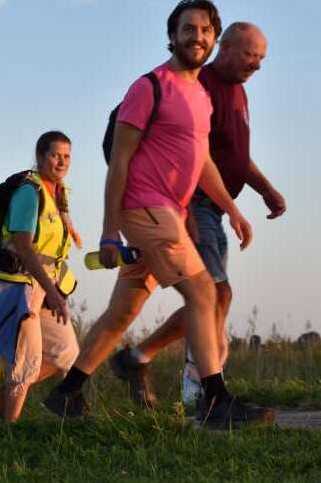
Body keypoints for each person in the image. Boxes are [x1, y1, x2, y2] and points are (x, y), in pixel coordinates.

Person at [42, 0, 273, 428]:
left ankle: (66, 392)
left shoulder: (201, 96)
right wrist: (110, 233)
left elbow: (202, 163)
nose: (197, 36)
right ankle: (216, 400)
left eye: (205, 30)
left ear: (214, 39)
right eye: (188, 29)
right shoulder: (148, 87)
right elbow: (121, 163)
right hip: (144, 208)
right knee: (204, 293)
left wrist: (232, 210)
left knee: (122, 312)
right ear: (172, 36)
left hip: (168, 213)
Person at [109, 22, 286, 408]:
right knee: (210, 292)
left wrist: (264, 190)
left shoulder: (237, 93)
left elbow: (235, 157)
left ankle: (138, 358)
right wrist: (186, 211)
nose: (256, 65)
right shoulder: (199, 84)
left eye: (261, 59)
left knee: (211, 294)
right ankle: (201, 390)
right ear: (224, 47)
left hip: (214, 208)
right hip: (192, 205)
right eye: (249, 55)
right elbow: (190, 156)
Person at [0, 132, 79, 423]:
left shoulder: (59, 193)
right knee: (26, 361)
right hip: (19, 286)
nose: (61, 161)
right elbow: (23, 244)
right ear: (41, 156)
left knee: (65, 352)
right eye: (56, 155)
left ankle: (5, 398)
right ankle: (10, 433)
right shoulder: (30, 192)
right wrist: (51, 291)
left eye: (67, 156)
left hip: (44, 286)